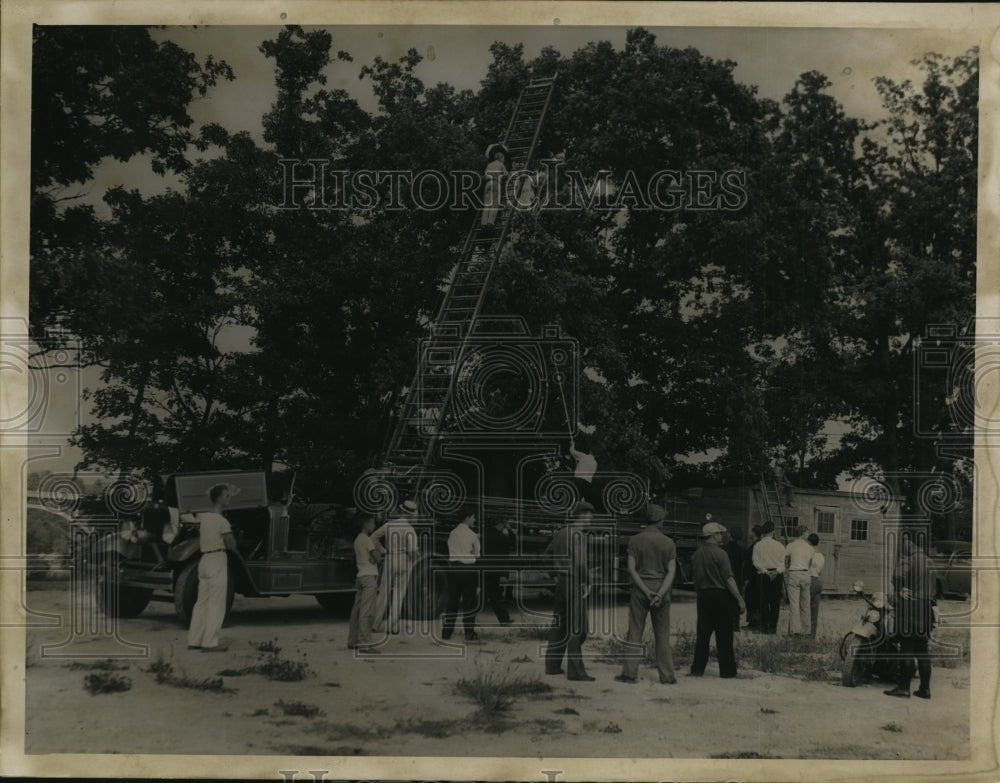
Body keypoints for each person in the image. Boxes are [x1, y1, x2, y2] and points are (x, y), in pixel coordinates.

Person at [615, 503, 677, 685]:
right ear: (659, 520)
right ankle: (667, 676)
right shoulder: (668, 542)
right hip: (661, 589)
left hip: (641, 589)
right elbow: (671, 572)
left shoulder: (635, 540)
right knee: (662, 635)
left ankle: (629, 674)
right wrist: (659, 593)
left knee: (634, 632)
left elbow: (631, 569)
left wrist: (645, 590)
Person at [544, 501, 595, 681]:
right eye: (589, 514)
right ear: (581, 515)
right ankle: (576, 672)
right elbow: (581, 562)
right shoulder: (579, 535)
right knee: (578, 628)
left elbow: (547, 554)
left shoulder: (562, 532)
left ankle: (552, 666)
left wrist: (554, 573)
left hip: (562, 582)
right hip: (574, 582)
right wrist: (587, 582)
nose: (591, 518)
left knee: (559, 623)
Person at [690, 521, 746, 678]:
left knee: (703, 635)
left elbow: (695, 578)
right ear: (713, 535)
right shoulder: (721, 553)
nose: (722, 536)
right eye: (719, 533)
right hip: (720, 596)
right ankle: (727, 671)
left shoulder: (697, 554)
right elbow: (728, 579)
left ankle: (697, 669)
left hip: (703, 595)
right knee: (724, 635)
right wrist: (740, 599)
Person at [188, 483, 237, 652]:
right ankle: (210, 643)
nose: (229, 499)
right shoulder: (222, 521)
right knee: (216, 603)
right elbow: (231, 544)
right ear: (219, 499)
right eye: (227, 496)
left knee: (201, 602)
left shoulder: (204, 517)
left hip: (204, 560)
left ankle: (194, 640)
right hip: (217, 559)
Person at [885, 531, 934, 699]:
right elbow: (934, 590)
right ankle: (925, 690)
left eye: (904, 541)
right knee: (922, 651)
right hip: (926, 609)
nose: (903, 544)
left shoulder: (908, 559)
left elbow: (896, 577)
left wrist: (899, 588)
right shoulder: (930, 561)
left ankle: (903, 688)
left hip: (910, 609)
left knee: (906, 648)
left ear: (910, 542)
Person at [371, 499, 420, 635]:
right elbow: (412, 551)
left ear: (400, 511)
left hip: (390, 558)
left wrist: (382, 550)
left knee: (383, 592)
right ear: (410, 515)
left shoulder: (389, 525)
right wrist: (416, 556)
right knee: (399, 594)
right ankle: (392, 626)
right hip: (404, 561)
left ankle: (375, 623)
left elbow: (373, 537)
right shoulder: (410, 530)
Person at [442, 506, 481, 641]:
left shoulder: (452, 533)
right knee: (469, 602)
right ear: (468, 518)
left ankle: (446, 633)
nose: (475, 520)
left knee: (452, 601)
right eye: (473, 517)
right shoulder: (473, 535)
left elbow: (449, 548)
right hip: (467, 570)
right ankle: (469, 633)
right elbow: (477, 555)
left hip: (453, 569)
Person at [346, 515, 383, 654]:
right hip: (369, 577)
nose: (374, 526)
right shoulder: (367, 540)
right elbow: (378, 558)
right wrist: (379, 553)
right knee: (367, 611)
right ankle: (365, 643)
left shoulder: (357, 540)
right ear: (366, 524)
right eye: (372, 523)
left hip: (360, 575)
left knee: (357, 610)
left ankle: (352, 640)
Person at [751, 521, 785, 634]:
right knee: (775, 602)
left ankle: (765, 626)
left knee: (763, 601)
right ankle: (773, 627)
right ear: (772, 532)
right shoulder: (779, 545)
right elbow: (783, 563)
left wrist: (765, 571)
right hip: (776, 575)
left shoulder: (757, 545)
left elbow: (755, 562)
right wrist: (777, 571)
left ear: (763, 533)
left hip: (762, 575)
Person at [481, 517, 516, 625]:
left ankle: (504, 619)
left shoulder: (485, 534)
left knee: (490, 596)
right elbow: (512, 542)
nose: (504, 527)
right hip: (494, 571)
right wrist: (510, 530)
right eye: (504, 525)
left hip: (485, 569)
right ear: (500, 524)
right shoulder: (500, 536)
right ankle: (504, 619)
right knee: (494, 597)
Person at [784, 525, 813, 636]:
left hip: (794, 573)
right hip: (805, 574)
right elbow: (810, 564)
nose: (808, 535)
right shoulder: (810, 548)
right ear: (803, 533)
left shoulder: (790, 546)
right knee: (805, 604)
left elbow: (786, 563)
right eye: (807, 533)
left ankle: (795, 630)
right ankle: (806, 630)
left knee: (794, 603)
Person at [722, 525, 745, 632]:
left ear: (729, 535)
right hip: (737, 577)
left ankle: (724, 623)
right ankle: (735, 625)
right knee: (736, 600)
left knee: (725, 600)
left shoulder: (723, 549)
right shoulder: (742, 550)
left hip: (725, 577)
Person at [568, 437, 600, 509]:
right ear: (598, 455)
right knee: (581, 500)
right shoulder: (595, 463)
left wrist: (572, 445)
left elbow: (572, 451)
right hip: (587, 483)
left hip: (577, 480)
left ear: (590, 451)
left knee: (574, 499)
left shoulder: (583, 456)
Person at [480, 143, 508, 227]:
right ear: (501, 158)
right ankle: (490, 221)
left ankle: (483, 222)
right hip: (496, 183)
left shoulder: (489, 165)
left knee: (487, 204)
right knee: (494, 203)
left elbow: (485, 176)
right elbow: (505, 174)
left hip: (488, 183)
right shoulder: (501, 164)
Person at [743, 525, 762, 631]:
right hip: (758, 576)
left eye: (751, 532)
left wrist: (746, 578)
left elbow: (749, 564)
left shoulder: (754, 546)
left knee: (751, 599)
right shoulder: (759, 545)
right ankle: (755, 621)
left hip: (753, 577)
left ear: (754, 533)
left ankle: (754, 622)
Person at [807, 533, 825, 640]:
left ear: (809, 542)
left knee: (804, 608)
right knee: (815, 610)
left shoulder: (809, 554)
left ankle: (803, 632)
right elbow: (820, 570)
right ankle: (812, 635)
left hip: (809, 580)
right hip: (817, 580)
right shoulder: (821, 556)